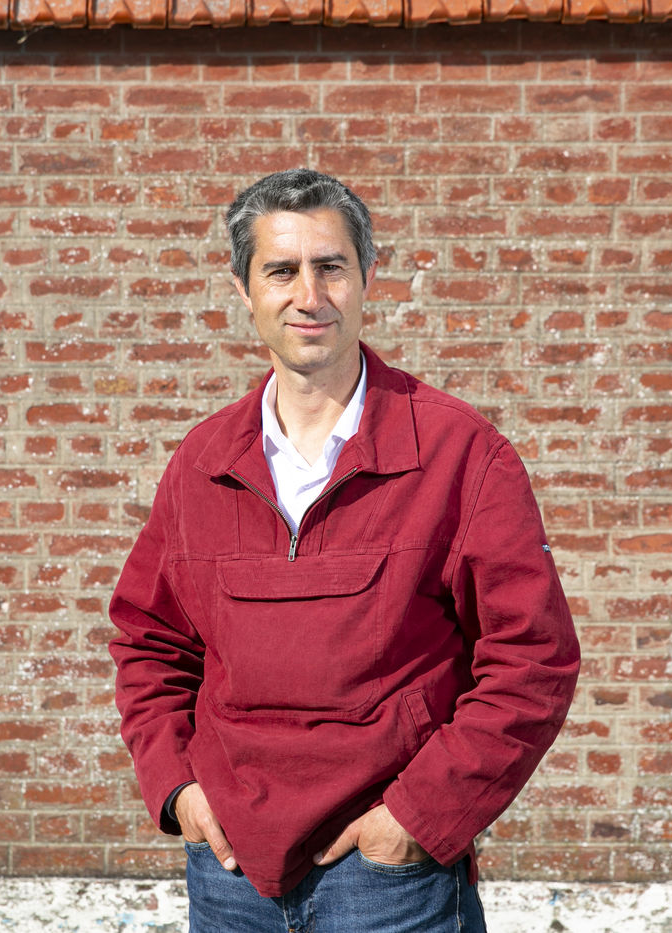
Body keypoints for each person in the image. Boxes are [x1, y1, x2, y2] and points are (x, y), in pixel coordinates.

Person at [108, 168, 580, 932]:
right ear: (244, 289)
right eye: (281, 271)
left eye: (330, 266)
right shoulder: (202, 464)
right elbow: (149, 642)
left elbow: (534, 659)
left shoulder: (460, 454)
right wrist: (178, 789)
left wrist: (417, 818)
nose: (310, 295)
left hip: (389, 882)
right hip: (231, 877)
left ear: (367, 278)